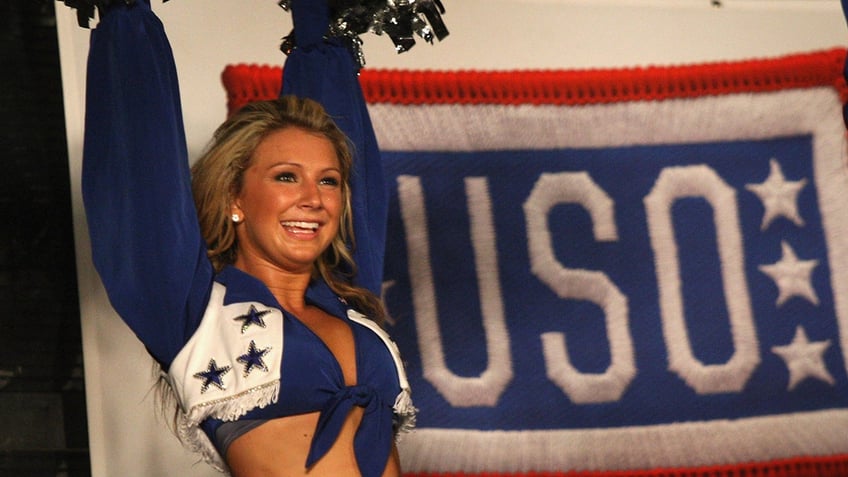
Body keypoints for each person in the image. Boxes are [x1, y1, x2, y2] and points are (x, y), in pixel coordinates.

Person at [80, 1, 414, 476]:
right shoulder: (194, 311)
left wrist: (317, 21)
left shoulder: (346, 299)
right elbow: (142, 164)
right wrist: (126, 18)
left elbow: (335, 109)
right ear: (235, 196)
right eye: (285, 177)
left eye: (329, 181)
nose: (313, 198)